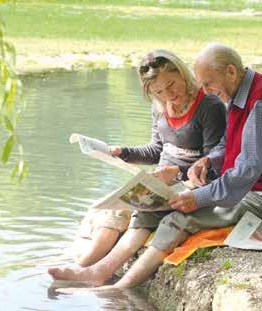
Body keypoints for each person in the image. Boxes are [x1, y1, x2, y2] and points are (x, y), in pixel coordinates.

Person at [48, 49, 227, 289]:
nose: (168, 95)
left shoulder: (210, 106)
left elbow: (213, 160)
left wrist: (177, 174)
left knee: (141, 214)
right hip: (159, 183)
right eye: (158, 92)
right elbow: (156, 149)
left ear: (183, 74)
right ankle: (85, 266)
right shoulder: (160, 107)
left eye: (171, 85)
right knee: (112, 209)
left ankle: (97, 272)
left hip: (189, 185)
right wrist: (123, 152)